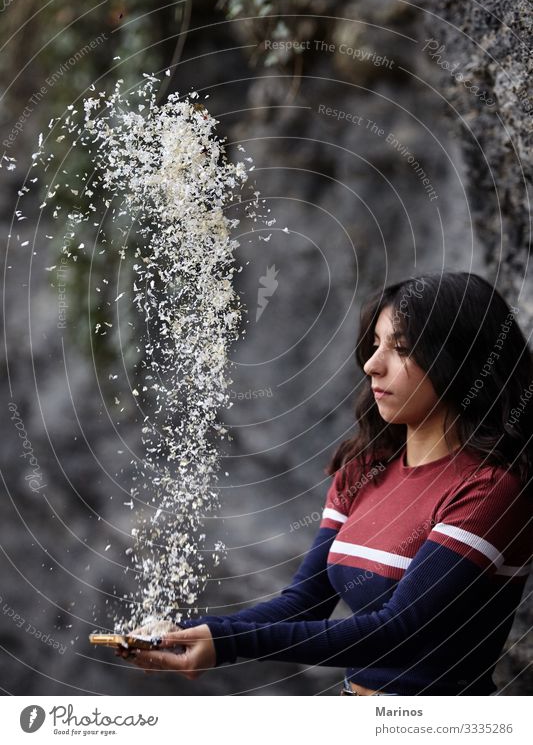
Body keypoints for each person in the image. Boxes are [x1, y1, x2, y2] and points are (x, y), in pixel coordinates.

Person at [119, 271, 533, 695]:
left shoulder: (489, 491)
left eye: (401, 348)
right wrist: (188, 633)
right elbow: (304, 602)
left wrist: (228, 641)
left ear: (460, 361)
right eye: (374, 345)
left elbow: (398, 630)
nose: (372, 364)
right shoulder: (364, 470)